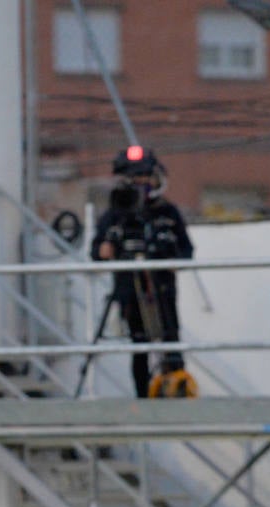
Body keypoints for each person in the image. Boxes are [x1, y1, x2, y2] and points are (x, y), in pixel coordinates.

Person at [90, 145, 195, 399]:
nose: (139, 184)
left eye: (143, 178)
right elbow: (95, 252)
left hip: (162, 288)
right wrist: (104, 250)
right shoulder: (115, 215)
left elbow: (186, 249)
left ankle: (175, 389)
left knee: (171, 338)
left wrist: (171, 259)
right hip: (129, 290)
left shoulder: (166, 212)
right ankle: (142, 397)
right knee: (139, 345)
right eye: (132, 179)